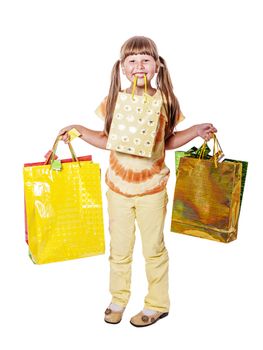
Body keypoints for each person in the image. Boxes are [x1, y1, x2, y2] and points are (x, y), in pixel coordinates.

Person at [59, 36, 217, 327]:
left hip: (152, 189)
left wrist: (194, 131)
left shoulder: (166, 100)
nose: (139, 65)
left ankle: (157, 303)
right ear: (122, 67)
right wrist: (80, 130)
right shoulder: (115, 100)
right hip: (118, 187)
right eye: (132, 60)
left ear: (157, 65)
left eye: (146, 59)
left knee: (153, 248)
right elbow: (107, 140)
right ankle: (118, 298)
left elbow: (167, 141)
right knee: (118, 249)